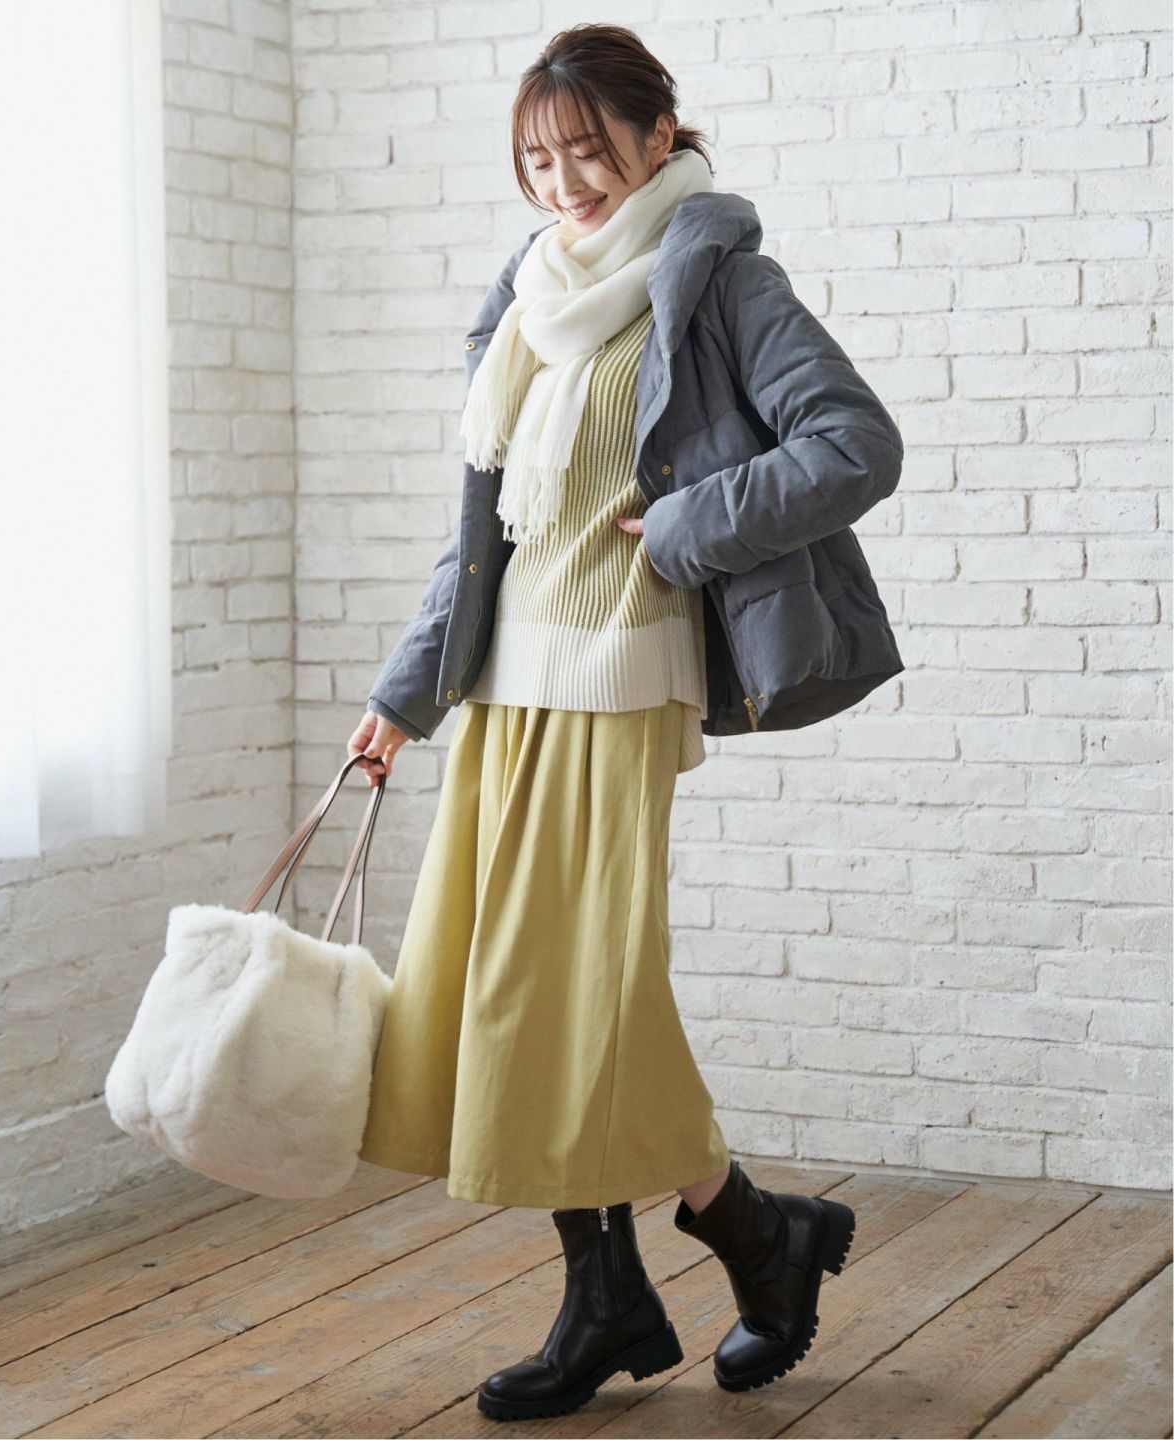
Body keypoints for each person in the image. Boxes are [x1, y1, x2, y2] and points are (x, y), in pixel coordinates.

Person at [344, 23, 890, 1421]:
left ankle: (731, 1247)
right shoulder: (531, 294)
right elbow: (485, 536)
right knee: (519, 997)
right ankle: (670, 1267)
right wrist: (401, 699)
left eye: (589, 150)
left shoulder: (719, 280)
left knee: (571, 997)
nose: (564, 181)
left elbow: (855, 444)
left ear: (659, 135)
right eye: (538, 158)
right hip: (504, 691)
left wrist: (695, 522)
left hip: (619, 680)